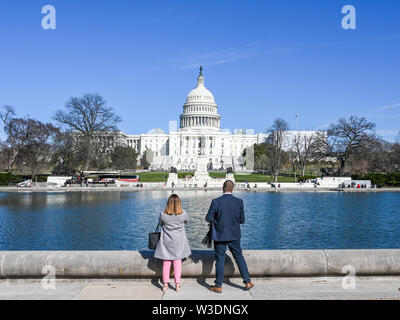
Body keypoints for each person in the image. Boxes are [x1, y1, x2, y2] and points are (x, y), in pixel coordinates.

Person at [205, 180, 254, 293]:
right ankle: (247, 282)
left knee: (220, 259)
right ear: (233, 189)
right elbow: (242, 220)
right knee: (239, 257)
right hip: (234, 235)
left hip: (219, 235)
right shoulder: (239, 202)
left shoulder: (216, 201)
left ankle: (218, 285)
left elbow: (208, 218)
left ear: (223, 188)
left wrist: (218, 219)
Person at [154, 194, 191, 292]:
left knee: (166, 262)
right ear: (179, 203)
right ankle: (177, 285)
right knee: (177, 262)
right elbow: (187, 221)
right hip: (179, 241)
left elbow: (160, 223)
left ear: (168, 203)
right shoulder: (183, 214)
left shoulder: (163, 214)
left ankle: (165, 284)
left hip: (166, 241)